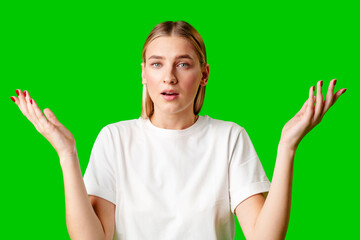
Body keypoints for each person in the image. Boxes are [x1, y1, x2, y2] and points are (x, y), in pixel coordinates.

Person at [10, 21, 347, 240]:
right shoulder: (115, 139)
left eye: (183, 64)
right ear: (144, 73)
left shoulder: (229, 138)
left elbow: (264, 237)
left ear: (203, 74)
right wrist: (66, 154)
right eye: (157, 64)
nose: (168, 77)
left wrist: (287, 146)